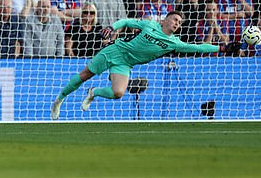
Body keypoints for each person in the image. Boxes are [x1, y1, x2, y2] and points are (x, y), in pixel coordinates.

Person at [50, 11, 240, 120]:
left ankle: (94, 92)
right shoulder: (150, 25)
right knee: (84, 75)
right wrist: (112, 27)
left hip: (126, 63)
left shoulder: (174, 42)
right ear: (165, 19)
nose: (177, 24)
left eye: (180, 23)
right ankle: (59, 100)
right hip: (115, 50)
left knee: (118, 93)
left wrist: (222, 48)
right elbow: (126, 20)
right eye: (175, 19)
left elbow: (198, 47)